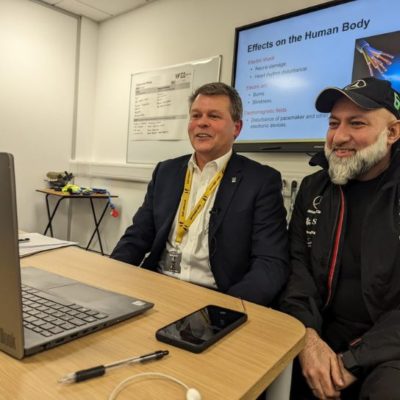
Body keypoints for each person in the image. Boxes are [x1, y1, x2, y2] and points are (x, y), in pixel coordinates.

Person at [111, 82, 288, 306]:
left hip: (216, 298)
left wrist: (228, 309)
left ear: (237, 128)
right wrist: (110, 275)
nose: (201, 122)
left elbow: (270, 263)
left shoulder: (261, 181)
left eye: (213, 116)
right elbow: (137, 237)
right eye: (196, 115)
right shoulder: (166, 172)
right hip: (156, 287)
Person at [280, 77, 400, 399]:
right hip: (320, 333)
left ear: (392, 133)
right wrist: (306, 336)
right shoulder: (313, 188)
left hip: (389, 347)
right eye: (334, 123)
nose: (339, 136)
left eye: (356, 123)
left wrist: (356, 359)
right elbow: (298, 270)